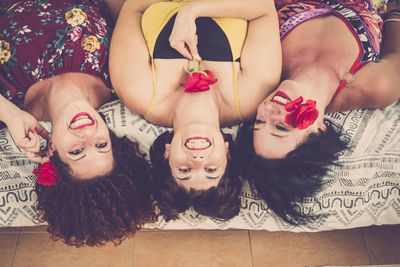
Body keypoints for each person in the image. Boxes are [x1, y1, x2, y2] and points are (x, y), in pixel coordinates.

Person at [0, 0, 156, 246]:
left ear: (52, 150)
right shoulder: (120, 82)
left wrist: (9, 114)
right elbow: (125, 12)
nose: (88, 135)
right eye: (102, 145)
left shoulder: (11, 103)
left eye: (77, 151)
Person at [109, 0, 282, 220]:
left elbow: (133, 8)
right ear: (227, 154)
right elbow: (263, 9)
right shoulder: (250, 97)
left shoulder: (139, 93)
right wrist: (191, 11)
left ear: (167, 154)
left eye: (184, 170)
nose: (198, 160)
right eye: (211, 171)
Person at [237, 0, 400, 224]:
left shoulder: (266, 67)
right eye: (281, 127)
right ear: (319, 131)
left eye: (259, 121)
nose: (267, 109)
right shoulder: (376, 86)